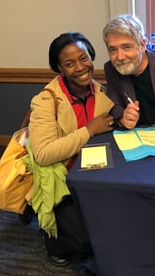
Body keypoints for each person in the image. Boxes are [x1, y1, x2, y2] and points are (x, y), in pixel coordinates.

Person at [27, 32, 114, 270]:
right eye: (70, 63)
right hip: (61, 177)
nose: (80, 67)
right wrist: (88, 131)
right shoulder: (46, 101)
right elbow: (43, 153)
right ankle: (52, 239)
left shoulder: (103, 93)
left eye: (83, 58)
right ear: (60, 69)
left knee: (116, 223)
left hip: (95, 172)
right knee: (85, 242)